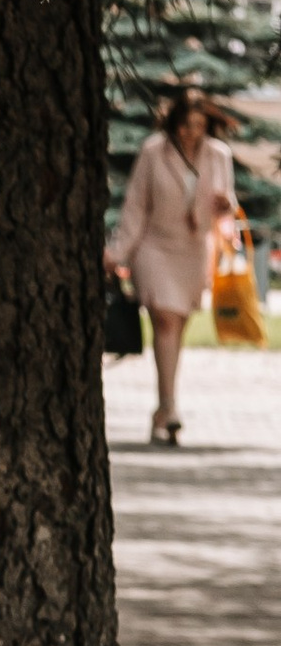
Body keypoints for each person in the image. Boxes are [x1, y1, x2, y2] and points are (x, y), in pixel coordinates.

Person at [111, 81, 238, 445]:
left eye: (198, 125)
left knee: (176, 329)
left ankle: (161, 411)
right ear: (173, 123)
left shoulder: (218, 155)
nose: (191, 133)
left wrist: (224, 206)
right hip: (154, 245)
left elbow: (225, 202)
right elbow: (135, 205)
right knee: (165, 322)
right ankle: (170, 407)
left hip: (194, 248)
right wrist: (118, 253)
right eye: (185, 125)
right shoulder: (153, 152)